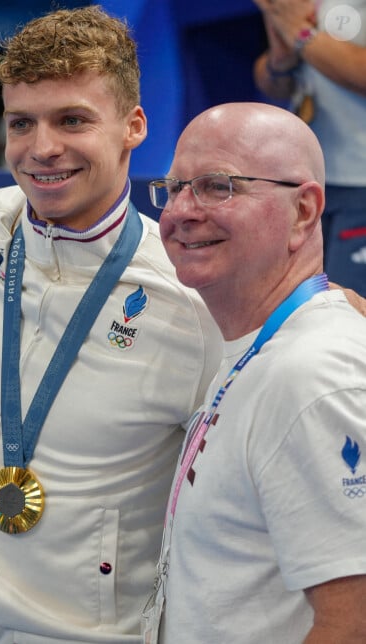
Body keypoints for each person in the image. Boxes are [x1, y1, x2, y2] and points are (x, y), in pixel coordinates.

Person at [0, 6, 222, 643]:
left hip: (84, 633)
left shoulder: (189, 301)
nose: (41, 149)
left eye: (72, 120)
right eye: (22, 123)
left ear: (133, 126)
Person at [144, 101, 366, 643]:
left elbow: (354, 623)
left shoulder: (313, 375)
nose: (180, 211)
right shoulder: (264, 349)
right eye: (174, 187)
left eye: (218, 186)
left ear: (305, 212)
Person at [253, 0, 366, 296]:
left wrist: (300, 35)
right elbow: (277, 84)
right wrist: (279, 62)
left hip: (360, 185)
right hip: (310, 181)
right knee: (303, 306)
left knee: (350, 317)